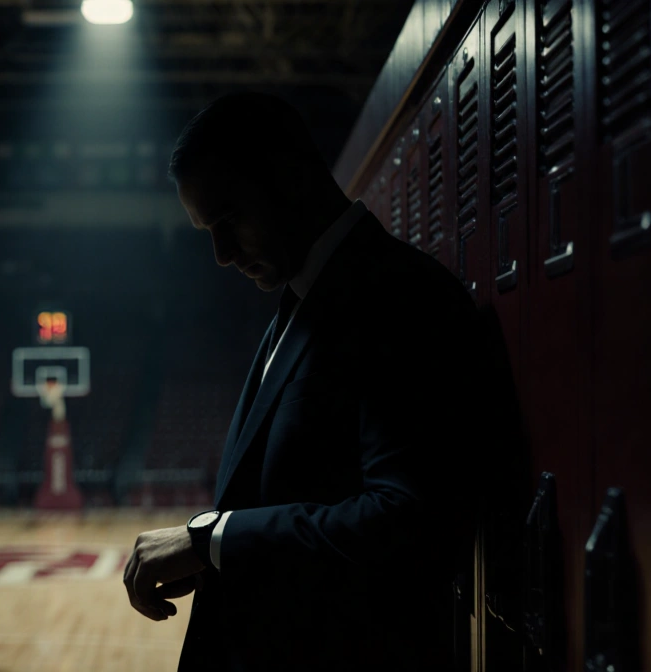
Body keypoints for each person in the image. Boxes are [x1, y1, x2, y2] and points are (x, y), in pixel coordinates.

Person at [123, 92, 489, 670]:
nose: (220, 254)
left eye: (228, 219)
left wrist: (210, 540)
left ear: (291, 176)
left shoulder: (401, 298)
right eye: (207, 231)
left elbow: (408, 523)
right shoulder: (303, 299)